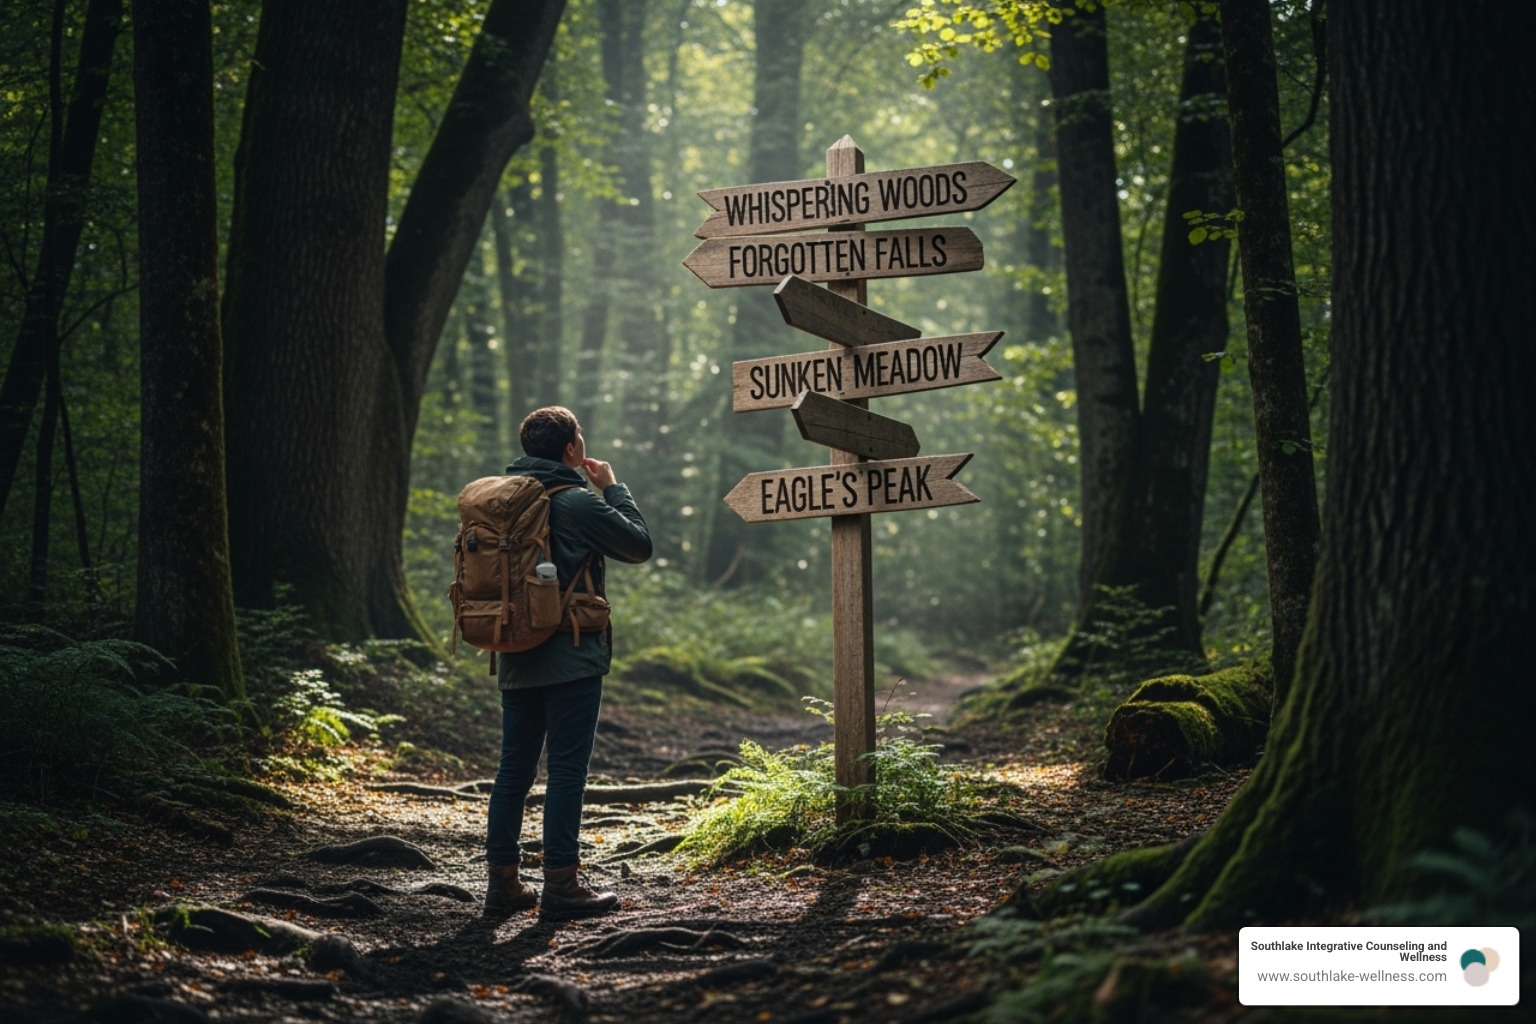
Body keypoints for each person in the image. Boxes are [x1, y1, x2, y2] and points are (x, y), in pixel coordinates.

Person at [483, 406, 651, 920]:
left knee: (513, 769)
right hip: (572, 655)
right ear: (572, 450)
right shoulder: (576, 501)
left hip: (511, 650)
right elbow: (638, 545)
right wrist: (613, 488)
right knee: (566, 771)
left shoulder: (498, 503)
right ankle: (561, 884)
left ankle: (502, 884)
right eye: (580, 439)